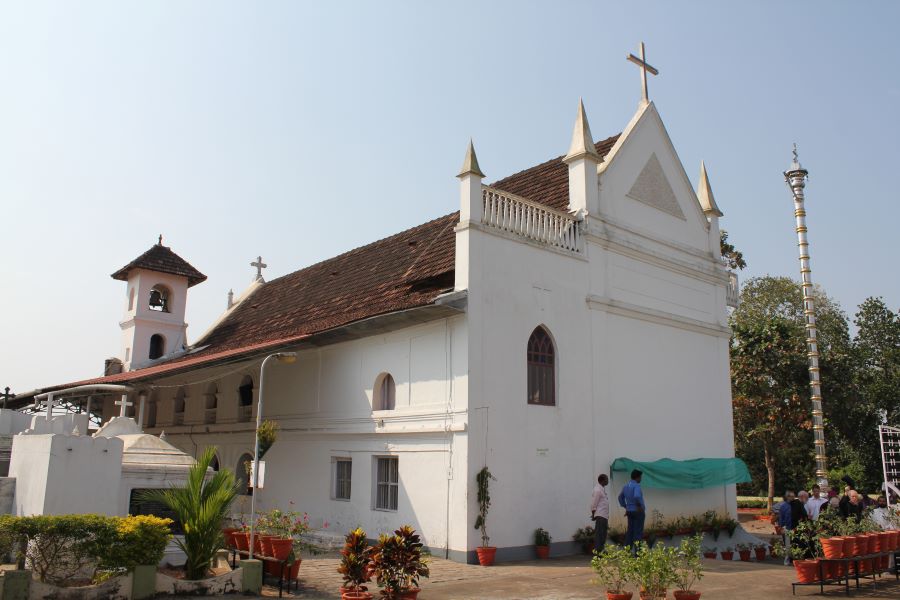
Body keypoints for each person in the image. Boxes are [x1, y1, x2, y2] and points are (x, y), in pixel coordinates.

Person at [618, 469, 645, 553]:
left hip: (629, 511)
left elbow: (620, 497)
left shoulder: (625, 486)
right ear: (637, 477)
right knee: (638, 533)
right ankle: (638, 554)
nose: (641, 479)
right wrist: (639, 505)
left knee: (630, 532)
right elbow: (637, 496)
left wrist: (626, 506)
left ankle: (627, 552)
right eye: (640, 477)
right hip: (637, 511)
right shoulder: (636, 485)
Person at [590, 474, 609, 553]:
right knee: (600, 534)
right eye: (606, 479)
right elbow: (594, 504)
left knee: (603, 534)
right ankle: (598, 551)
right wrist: (593, 514)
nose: (607, 481)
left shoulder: (602, 489)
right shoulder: (598, 490)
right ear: (602, 480)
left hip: (604, 515)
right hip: (600, 515)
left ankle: (601, 550)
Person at [778, 491, 795, 565]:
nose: (793, 498)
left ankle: (794, 560)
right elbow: (781, 518)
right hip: (787, 528)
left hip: (795, 528)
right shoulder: (783, 506)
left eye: (794, 496)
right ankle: (787, 561)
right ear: (788, 497)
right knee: (788, 545)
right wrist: (781, 527)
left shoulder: (795, 505)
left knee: (794, 544)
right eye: (791, 496)